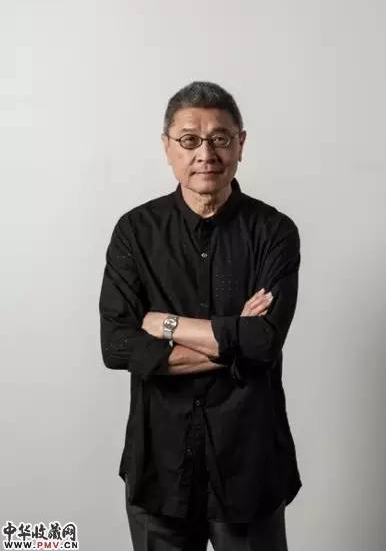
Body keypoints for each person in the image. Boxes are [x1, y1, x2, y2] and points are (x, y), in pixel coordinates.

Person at [99, 80, 302, 550]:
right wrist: (235, 343)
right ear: (167, 146)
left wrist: (167, 325)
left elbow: (264, 342)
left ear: (240, 144)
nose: (205, 154)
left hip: (249, 466)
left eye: (220, 138)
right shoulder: (135, 232)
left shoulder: (274, 232)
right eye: (190, 140)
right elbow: (118, 346)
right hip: (160, 465)